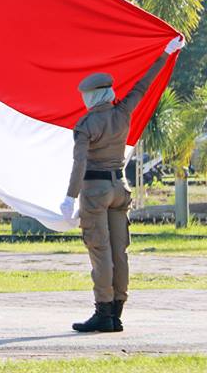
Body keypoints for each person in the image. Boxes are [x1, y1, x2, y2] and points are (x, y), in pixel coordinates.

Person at [61, 35, 184, 333]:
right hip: (120, 189)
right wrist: (166, 54)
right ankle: (116, 311)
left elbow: (79, 164)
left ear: (91, 97)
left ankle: (103, 312)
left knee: (100, 251)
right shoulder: (123, 112)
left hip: (95, 191)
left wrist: (69, 197)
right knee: (120, 253)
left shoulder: (86, 125)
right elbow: (144, 85)